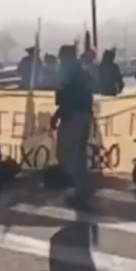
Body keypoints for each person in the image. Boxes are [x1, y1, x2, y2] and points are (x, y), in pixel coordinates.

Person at [50, 44, 94, 206]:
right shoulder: (81, 72)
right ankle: (82, 188)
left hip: (73, 116)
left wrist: (58, 115)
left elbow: (68, 98)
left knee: (67, 153)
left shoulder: (69, 73)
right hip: (83, 115)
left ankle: (81, 189)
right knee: (79, 153)